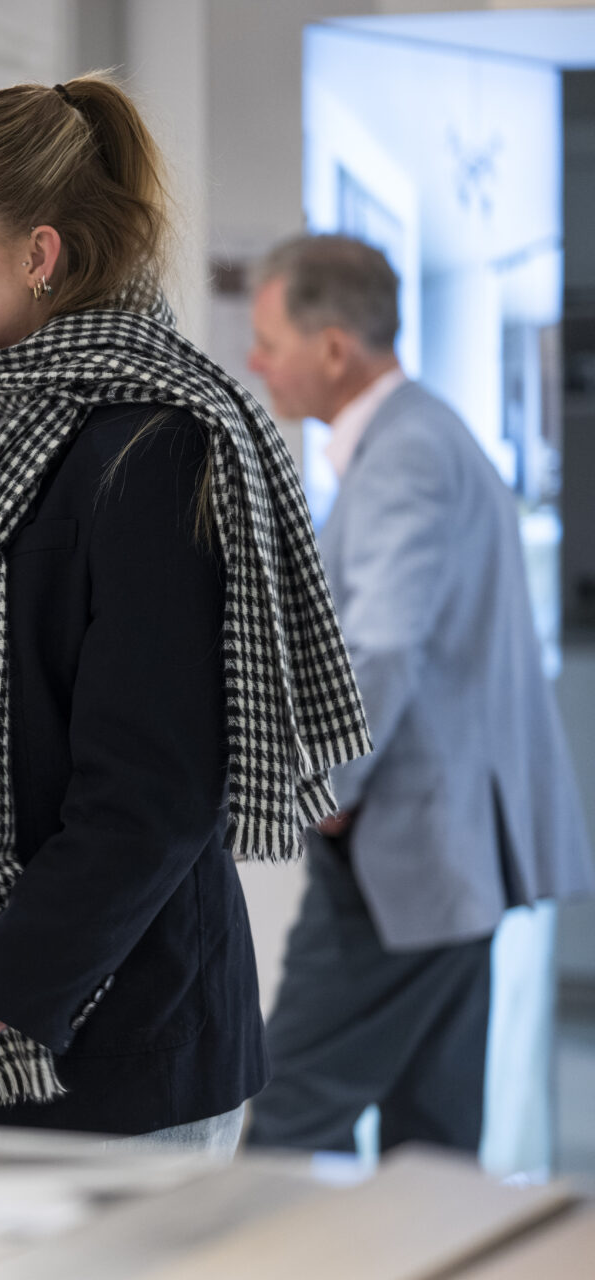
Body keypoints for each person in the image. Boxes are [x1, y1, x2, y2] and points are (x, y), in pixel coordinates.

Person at [0, 75, 370, 1152]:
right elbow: (16, 684)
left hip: (120, 1051)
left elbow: (156, 797)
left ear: (39, 255)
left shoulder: (160, 445)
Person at [242, 234, 594, 1155]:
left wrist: (320, 786)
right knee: (432, 1150)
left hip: (401, 859)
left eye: (269, 341)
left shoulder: (406, 452)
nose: (256, 361)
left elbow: (384, 645)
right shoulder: (421, 435)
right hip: (443, 863)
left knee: (283, 1135)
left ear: (332, 348)